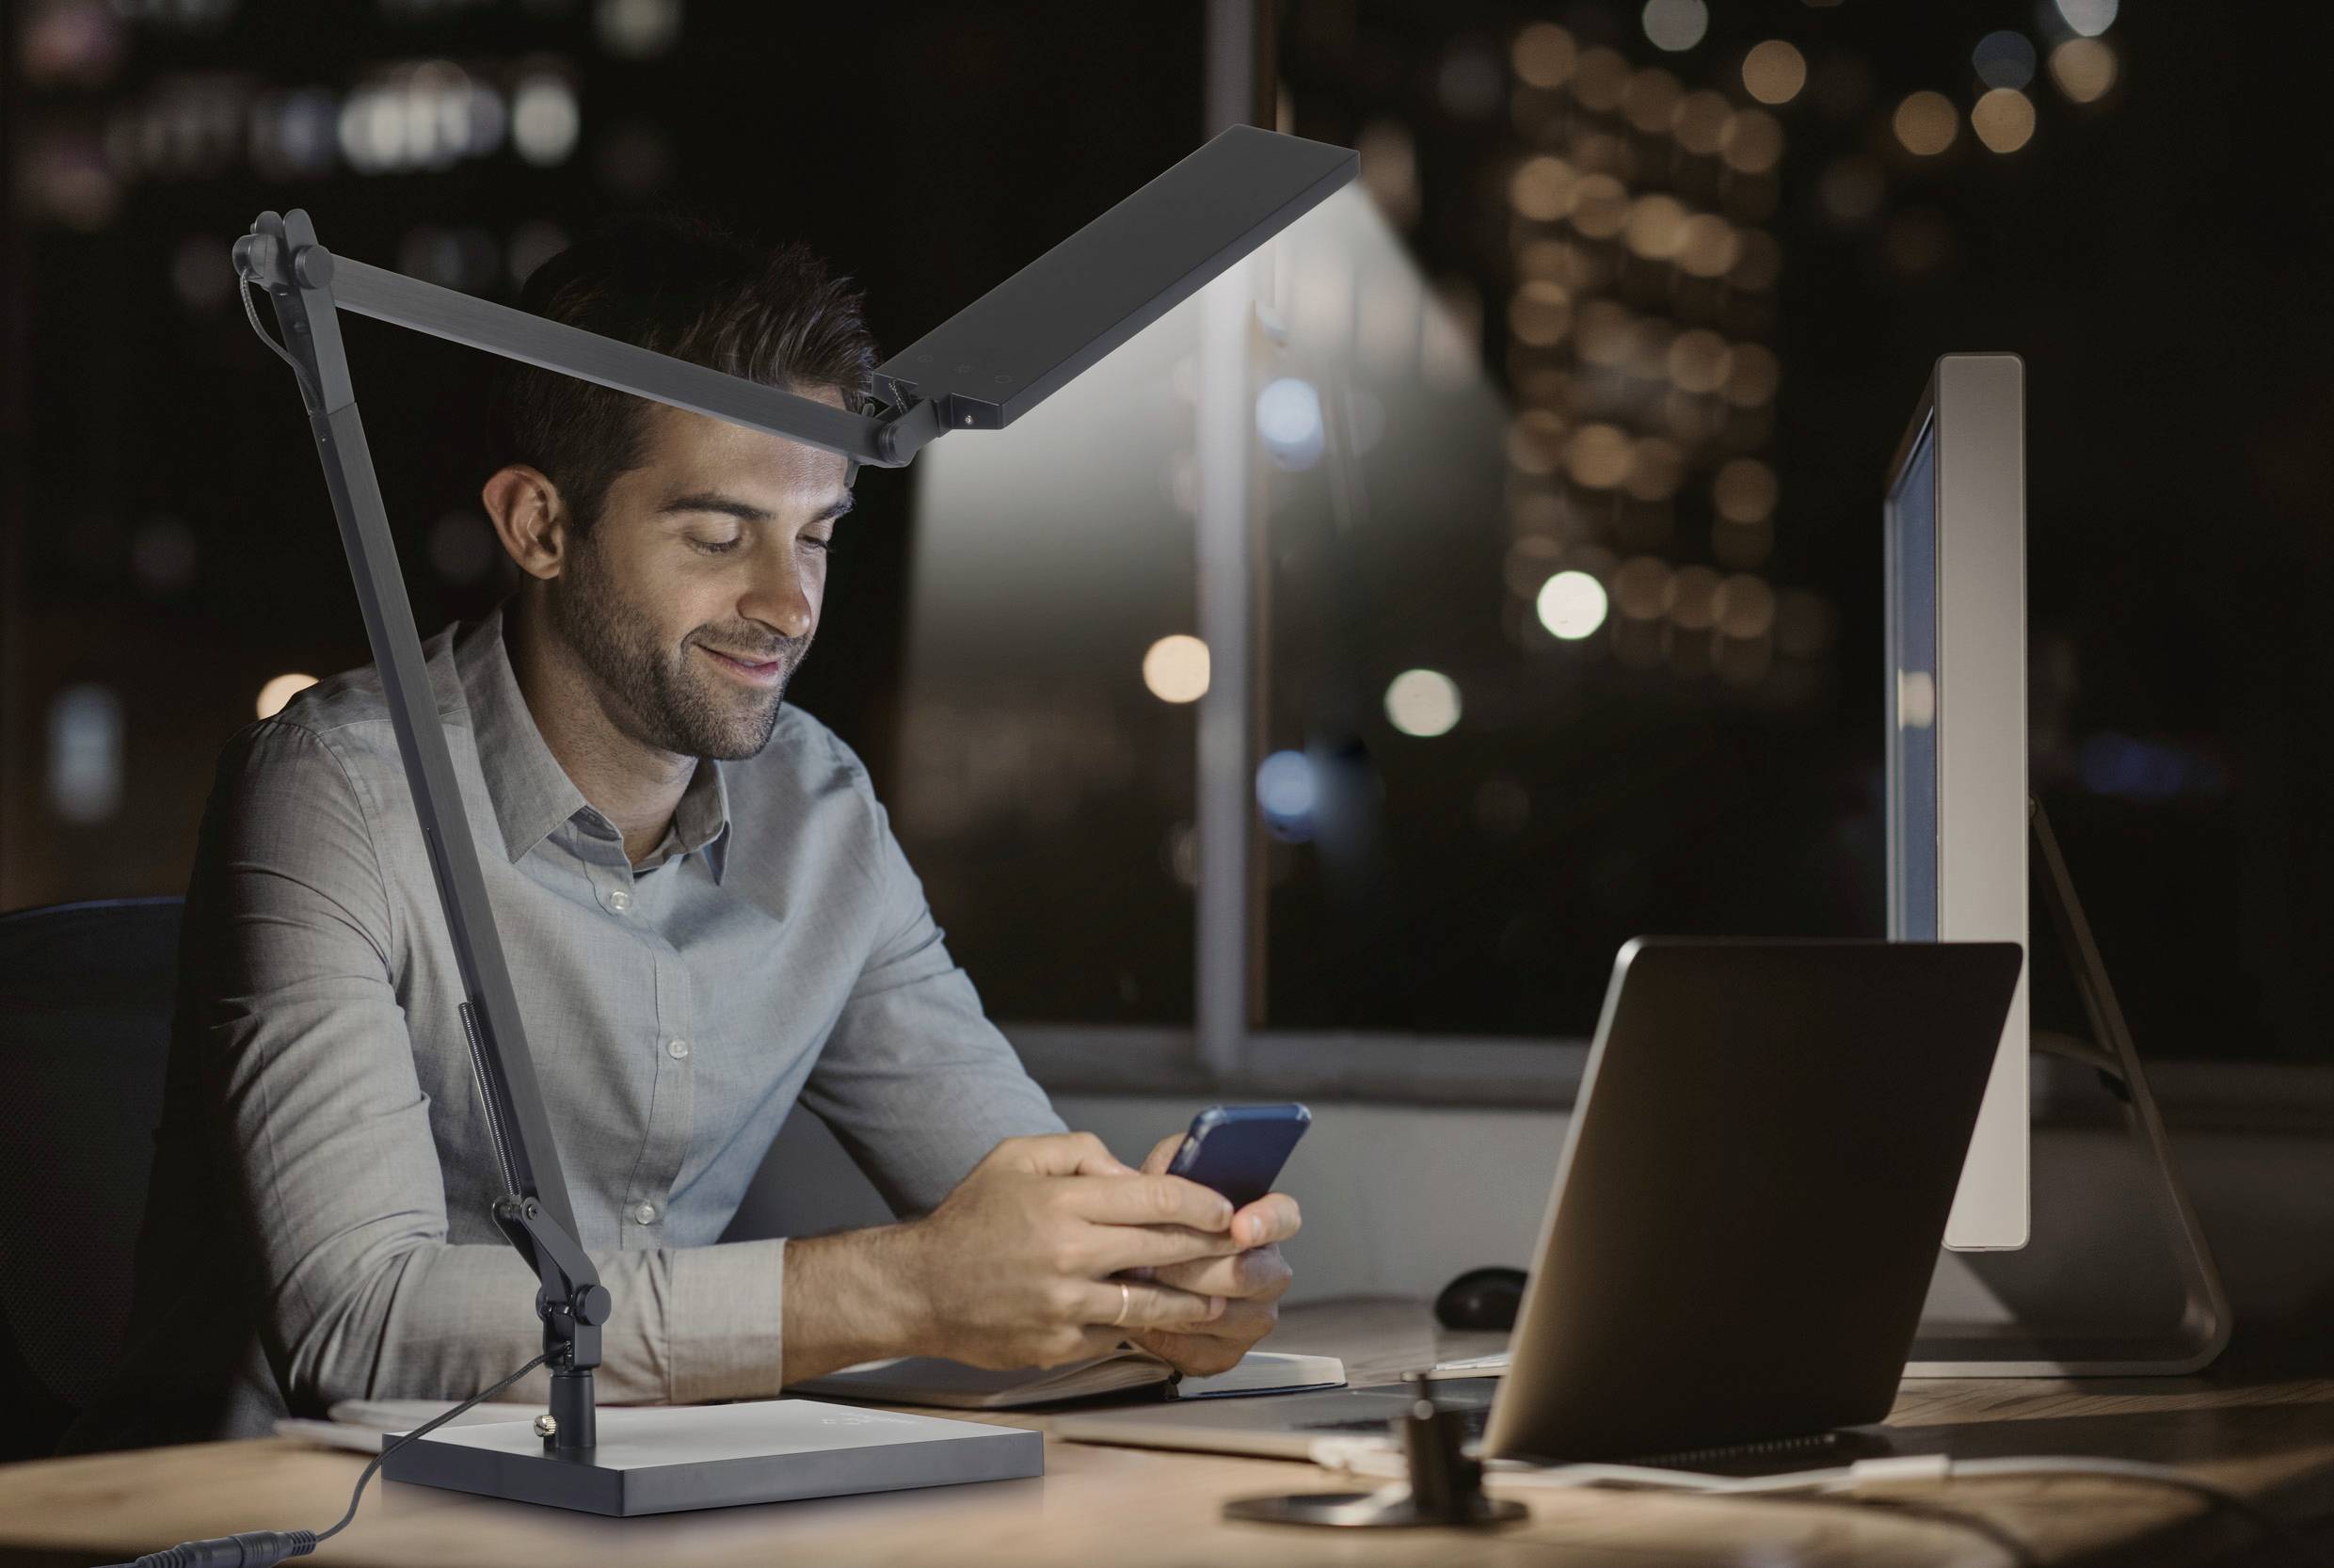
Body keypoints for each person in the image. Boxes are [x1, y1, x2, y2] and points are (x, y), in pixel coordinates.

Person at [62, 209, 1297, 1451]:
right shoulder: (336, 791)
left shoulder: (819, 810)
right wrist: (904, 1290)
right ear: (540, 526)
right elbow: (359, 1325)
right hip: (295, 1517)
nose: (789, 604)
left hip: (642, 1507)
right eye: (718, 535)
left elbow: (1014, 1197)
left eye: (817, 535)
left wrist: (1151, 1279)